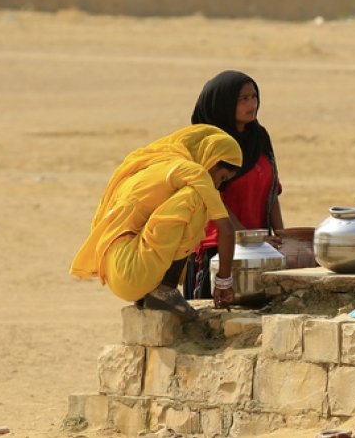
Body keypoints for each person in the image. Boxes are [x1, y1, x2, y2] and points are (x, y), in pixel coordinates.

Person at [69, 125, 243, 318]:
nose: (218, 185)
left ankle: (152, 293)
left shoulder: (161, 166)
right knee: (197, 200)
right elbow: (226, 229)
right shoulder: (193, 172)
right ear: (212, 159)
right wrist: (223, 282)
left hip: (120, 270)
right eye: (221, 177)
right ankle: (165, 290)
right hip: (132, 270)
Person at [186, 70, 284, 299]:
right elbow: (213, 198)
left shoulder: (259, 137)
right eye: (244, 99)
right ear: (224, 103)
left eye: (254, 97)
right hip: (217, 251)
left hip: (259, 251)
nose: (252, 104)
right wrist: (248, 238)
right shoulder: (208, 143)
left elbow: (271, 191)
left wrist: (283, 237)